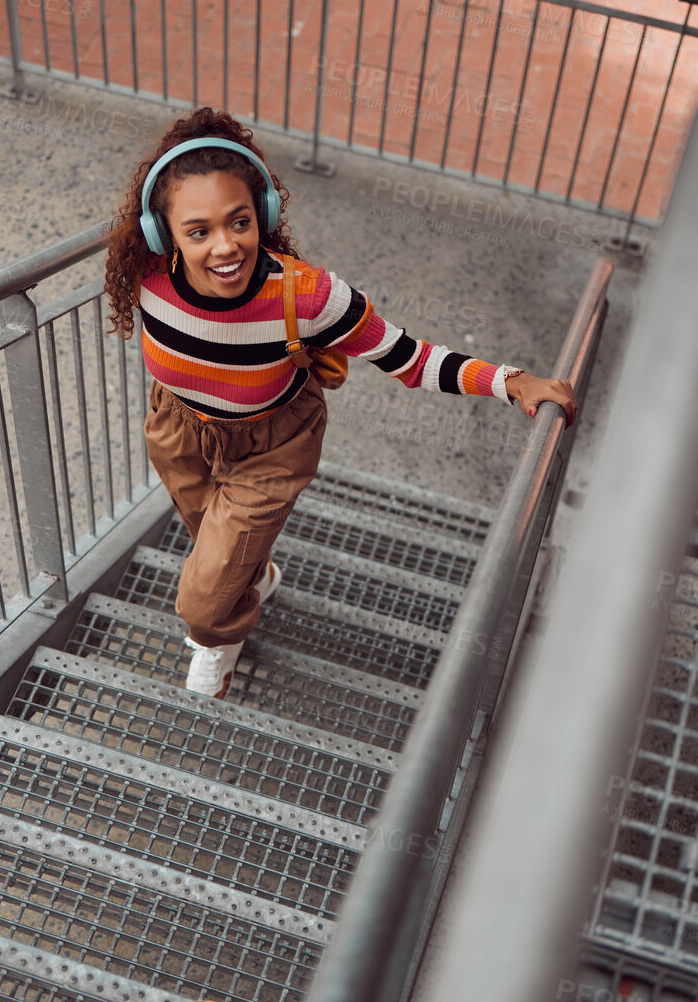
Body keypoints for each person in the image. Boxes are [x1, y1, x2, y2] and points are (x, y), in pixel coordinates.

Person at [104, 107, 578, 698]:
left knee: (204, 596)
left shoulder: (307, 297)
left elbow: (408, 357)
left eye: (240, 221)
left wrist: (511, 381)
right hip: (176, 429)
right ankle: (257, 576)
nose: (225, 247)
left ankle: (218, 640)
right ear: (161, 234)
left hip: (271, 445)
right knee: (215, 547)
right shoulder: (147, 273)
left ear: (265, 215)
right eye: (198, 231)